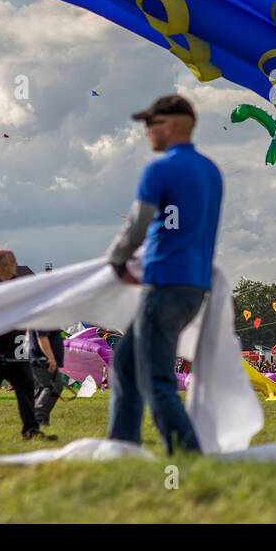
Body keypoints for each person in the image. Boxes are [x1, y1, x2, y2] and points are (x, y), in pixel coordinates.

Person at [106, 95, 223, 455]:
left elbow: (138, 224)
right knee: (125, 365)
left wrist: (117, 261)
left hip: (165, 284)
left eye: (150, 123)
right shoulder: (211, 171)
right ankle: (122, 447)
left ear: (169, 125)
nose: (145, 131)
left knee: (156, 378)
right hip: (193, 284)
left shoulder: (159, 170)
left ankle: (188, 454)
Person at [0, 250, 52, 440]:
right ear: (5, 265)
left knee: (26, 386)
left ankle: (31, 430)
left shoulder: (15, 284)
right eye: (14, 262)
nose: (17, 265)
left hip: (15, 348)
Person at [29, 325, 64, 428]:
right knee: (50, 387)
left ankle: (42, 419)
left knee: (50, 388)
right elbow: (42, 338)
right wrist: (51, 358)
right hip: (42, 360)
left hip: (44, 359)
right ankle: (38, 416)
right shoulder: (43, 318)